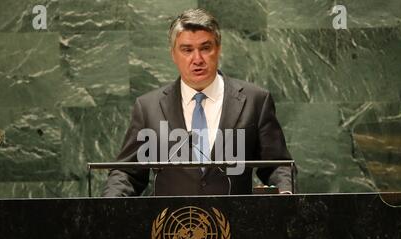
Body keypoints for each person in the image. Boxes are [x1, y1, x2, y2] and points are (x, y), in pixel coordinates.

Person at [102, 8, 295, 197]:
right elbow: (128, 172)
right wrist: (108, 206)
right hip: (172, 225)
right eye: (187, 50)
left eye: (205, 48)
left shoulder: (255, 101)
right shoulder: (148, 108)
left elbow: (277, 165)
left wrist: (285, 191)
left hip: (235, 224)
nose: (197, 59)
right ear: (173, 54)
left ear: (218, 49)